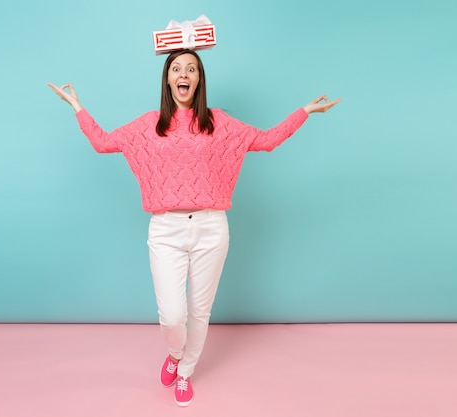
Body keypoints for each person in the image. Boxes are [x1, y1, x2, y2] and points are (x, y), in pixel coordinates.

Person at [48, 49, 340, 407]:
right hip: (165, 229)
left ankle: (185, 371)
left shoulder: (219, 122)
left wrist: (304, 112)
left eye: (191, 68)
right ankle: (174, 353)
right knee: (173, 315)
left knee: (200, 312)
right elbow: (103, 142)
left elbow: (266, 140)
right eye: (176, 68)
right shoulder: (148, 124)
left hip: (211, 228)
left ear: (198, 79)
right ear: (167, 79)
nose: (183, 73)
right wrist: (77, 106)